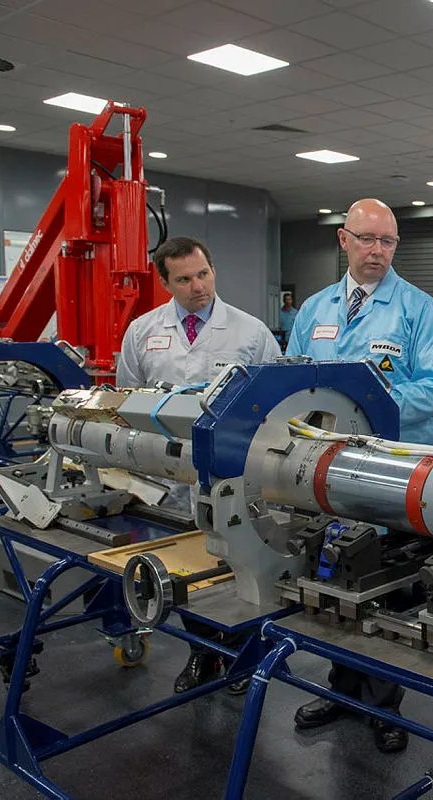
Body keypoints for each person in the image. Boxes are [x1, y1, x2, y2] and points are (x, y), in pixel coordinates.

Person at [287, 198, 433, 755]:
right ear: (344, 240)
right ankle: (341, 690)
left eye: (387, 241)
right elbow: (292, 380)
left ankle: (385, 706)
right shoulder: (315, 309)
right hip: (325, 472)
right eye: (367, 239)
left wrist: (365, 408)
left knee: (386, 585)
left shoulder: (419, 309)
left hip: (391, 474)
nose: (377, 251)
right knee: (333, 578)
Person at [116, 236, 281, 694]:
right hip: (169, 478)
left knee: (242, 569)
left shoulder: (250, 332)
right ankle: (201, 654)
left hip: (234, 476)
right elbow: (128, 400)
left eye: (203, 274)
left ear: (213, 269)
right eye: (184, 279)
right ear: (165, 282)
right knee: (185, 571)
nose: (198, 286)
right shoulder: (143, 332)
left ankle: (243, 660)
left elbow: (276, 405)